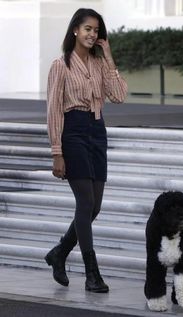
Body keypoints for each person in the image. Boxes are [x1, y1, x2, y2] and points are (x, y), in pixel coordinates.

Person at [45, 8, 127, 293]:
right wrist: (57, 151)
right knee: (85, 202)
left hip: (96, 131)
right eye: (88, 29)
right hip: (74, 132)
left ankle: (59, 253)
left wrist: (108, 56)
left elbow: (118, 96)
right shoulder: (61, 65)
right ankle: (92, 274)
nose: (92, 34)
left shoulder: (98, 63)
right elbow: (54, 110)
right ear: (75, 31)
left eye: (96, 30)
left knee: (95, 207)